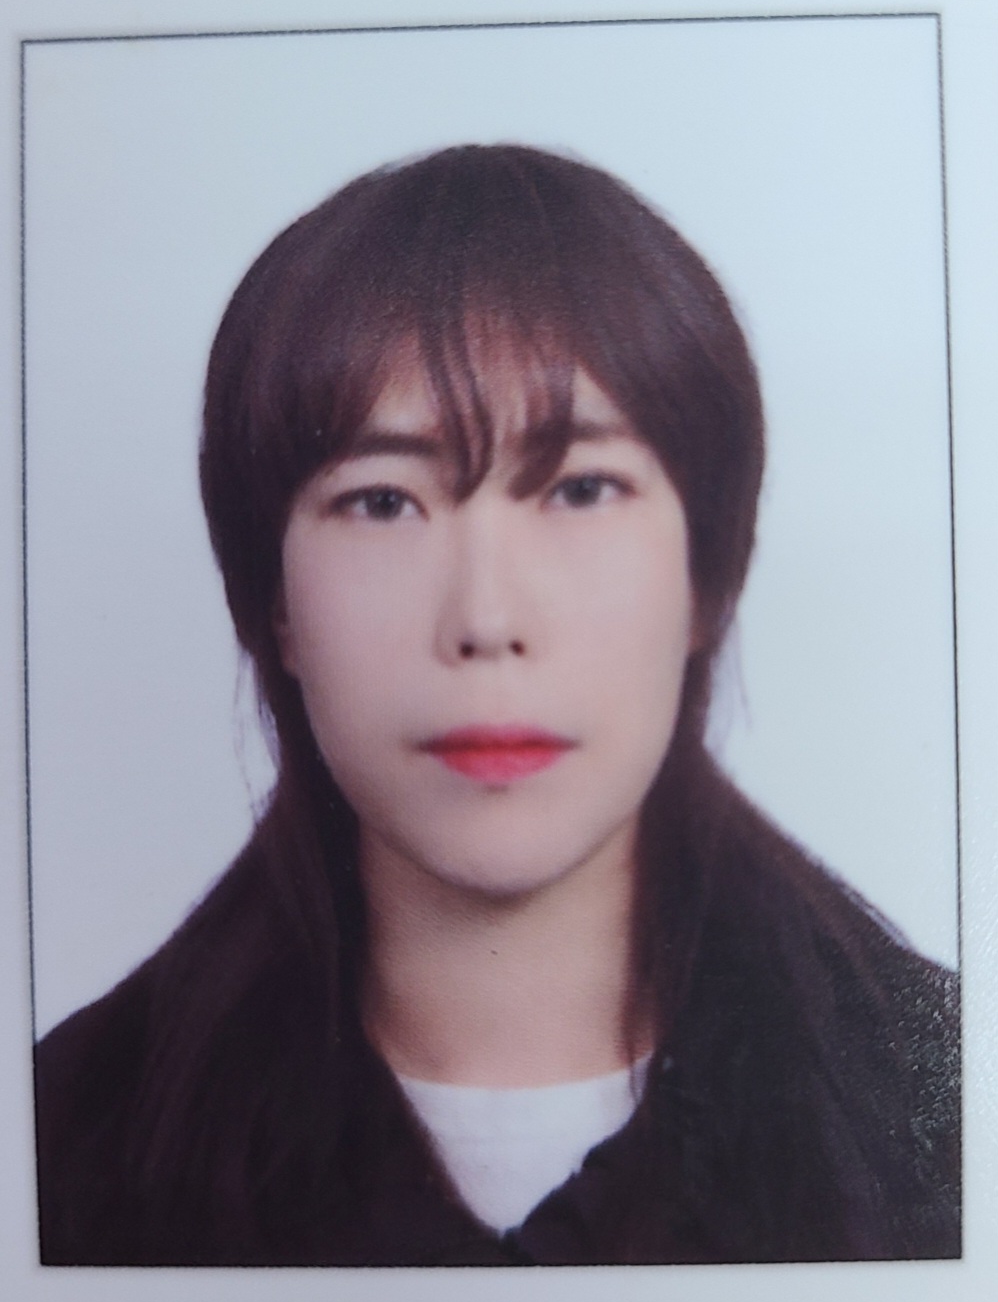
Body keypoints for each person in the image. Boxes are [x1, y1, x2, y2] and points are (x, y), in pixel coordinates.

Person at [34, 144, 959, 1266]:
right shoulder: (58, 1150)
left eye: (580, 488)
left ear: (707, 577)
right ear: (273, 605)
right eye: (382, 502)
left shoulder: (949, 1116)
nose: (484, 619)